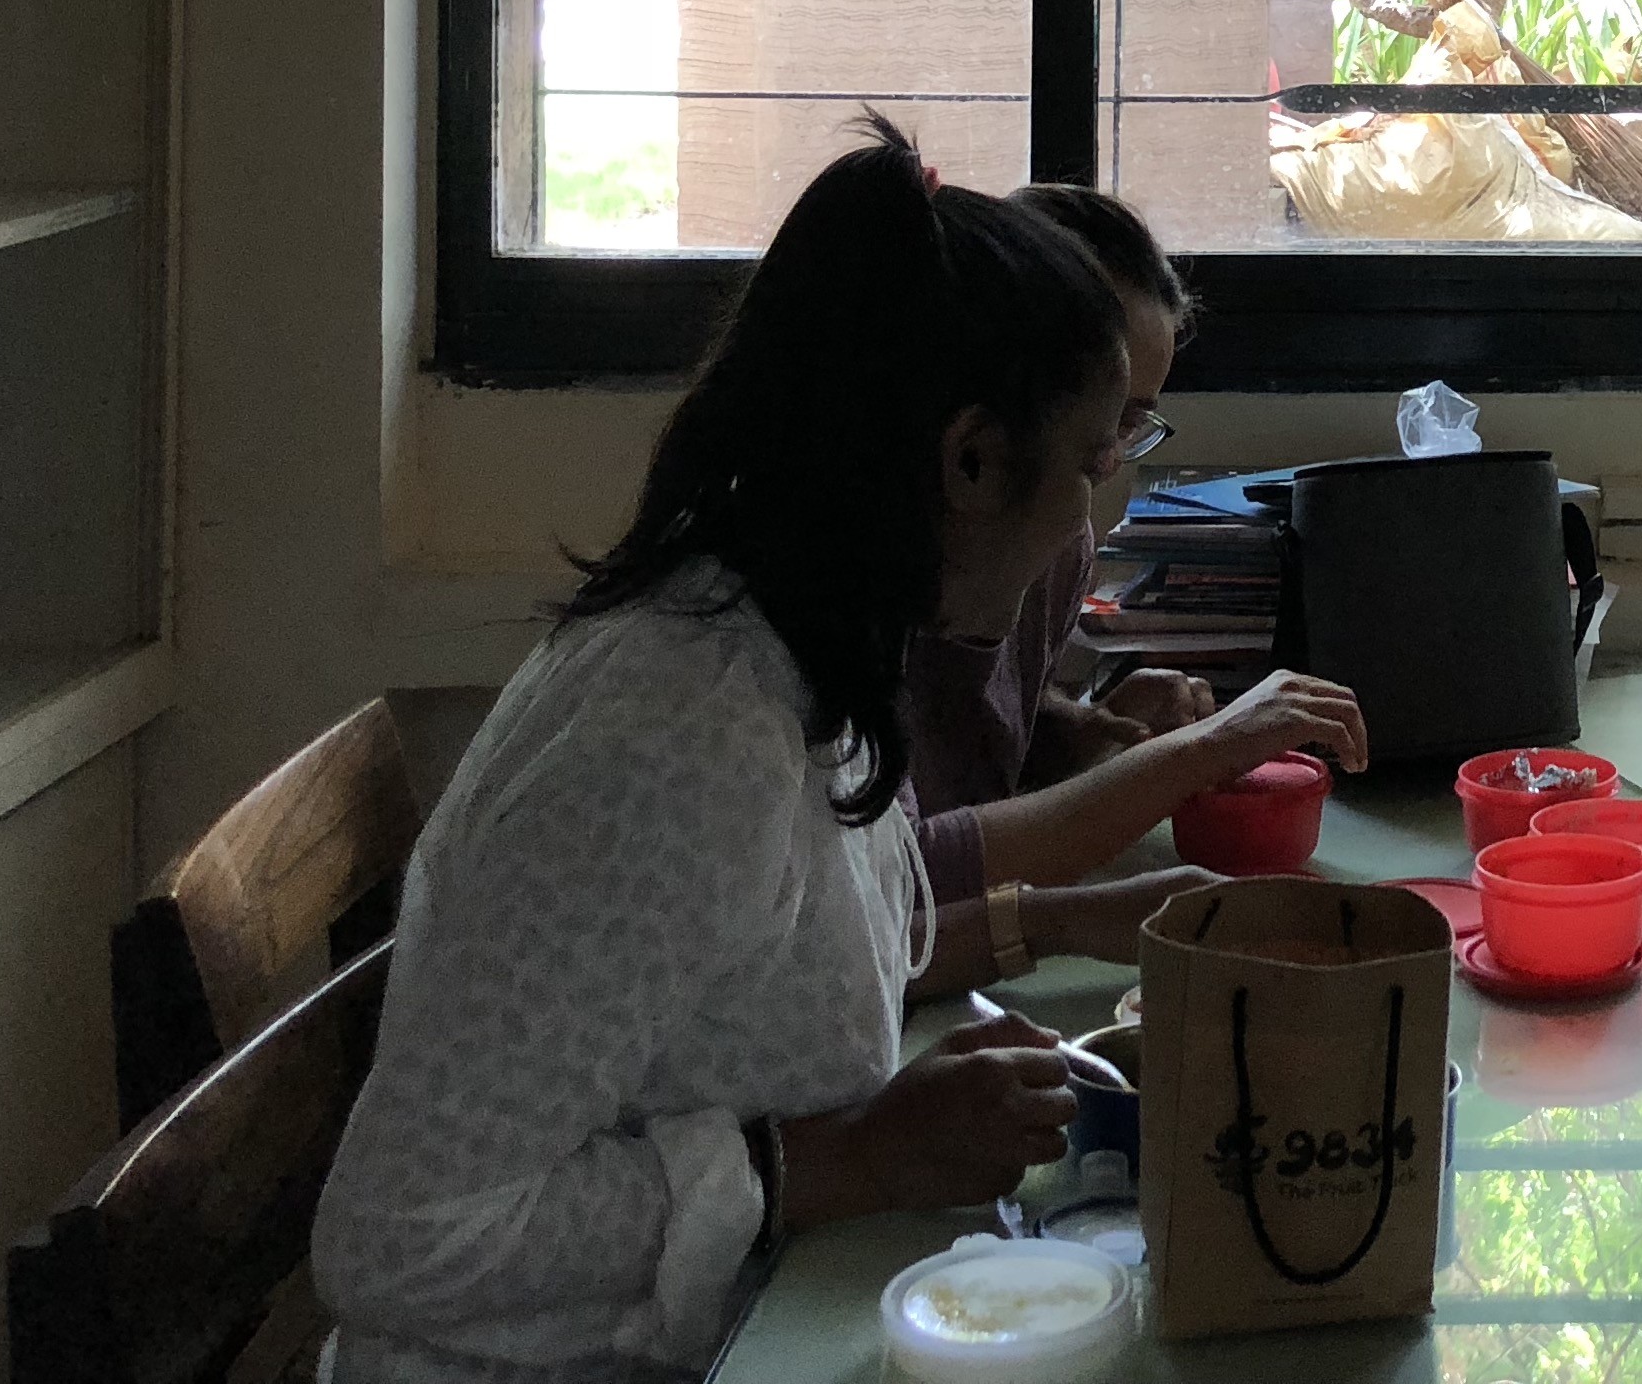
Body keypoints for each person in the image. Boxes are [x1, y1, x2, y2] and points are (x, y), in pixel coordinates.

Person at [312, 130, 1207, 1383]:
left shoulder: (805, 648)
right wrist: (834, 1164)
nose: (1084, 517)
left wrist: (1021, 974)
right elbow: (398, 1241)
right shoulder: (687, 738)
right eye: (1090, 463)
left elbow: (775, 970)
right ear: (970, 460)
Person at [897, 181, 1367, 983]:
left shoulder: (1053, 541)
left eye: (1132, 422)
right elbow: (891, 883)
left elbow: (967, 745)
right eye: (1098, 427)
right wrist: (1193, 755)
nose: (1109, 464)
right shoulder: (839, 599)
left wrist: (1080, 729)